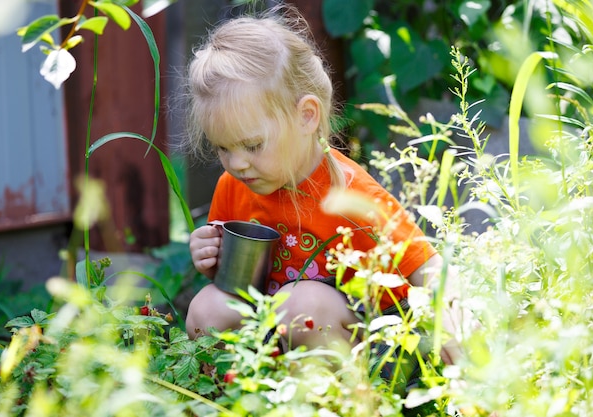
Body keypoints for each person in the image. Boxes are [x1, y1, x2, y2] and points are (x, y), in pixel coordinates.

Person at [183, 6, 462, 369]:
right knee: (207, 307)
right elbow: (233, 284)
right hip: (274, 340)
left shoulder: (352, 194)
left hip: (370, 349)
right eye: (223, 147)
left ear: (306, 115)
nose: (236, 164)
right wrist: (210, 256)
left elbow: (429, 265)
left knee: (302, 304)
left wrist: (455, 326)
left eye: (252, 145)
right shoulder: (235, 185)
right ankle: (235, 401)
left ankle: (337, 402)